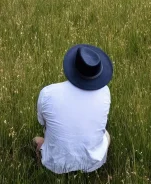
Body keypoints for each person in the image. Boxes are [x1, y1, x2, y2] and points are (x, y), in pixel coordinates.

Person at [33, 44, 113, 174]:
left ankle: (41, 160)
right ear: (98, 73)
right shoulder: (105, 92)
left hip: (55, 164)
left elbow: (42, 123)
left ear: (72, 68)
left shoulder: (48, 93)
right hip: (94, 163)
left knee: (36, 140)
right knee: (107, 134)